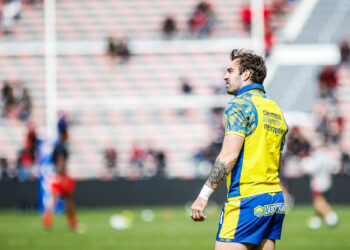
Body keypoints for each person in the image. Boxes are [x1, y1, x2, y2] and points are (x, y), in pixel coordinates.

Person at [190, 49, 288, 250]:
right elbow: (277, 162)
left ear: (246, 74)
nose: (225, 76)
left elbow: (228, 155)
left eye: (230, 70)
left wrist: (203, 196)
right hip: (274, 200)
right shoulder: (275, 110)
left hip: (247, 200)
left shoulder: (239, 105)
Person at [42, 139, 78, 231]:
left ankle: (47, 222)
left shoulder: (56, 149)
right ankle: (73, 223)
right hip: (61, 178)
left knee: (53, 201)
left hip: (56, 177)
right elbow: (61, 163)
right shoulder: (62, 149)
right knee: (68, 201)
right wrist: (62, 177)